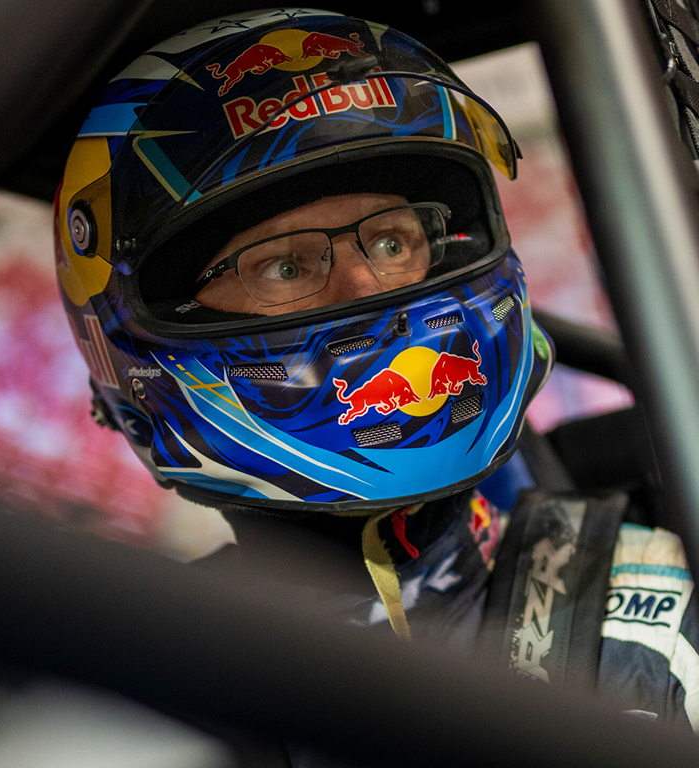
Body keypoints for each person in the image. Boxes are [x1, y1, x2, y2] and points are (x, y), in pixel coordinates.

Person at [54, 6, 699, 744]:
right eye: (285, 266)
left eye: (393, 242)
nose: (368, 285)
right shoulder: (118, 701)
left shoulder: (662, 605)